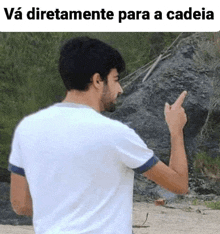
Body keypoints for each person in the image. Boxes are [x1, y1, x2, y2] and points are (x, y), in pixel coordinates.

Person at [8, 37, 188, 234]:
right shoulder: (116, 134)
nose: (120, 89)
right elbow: (178, 184)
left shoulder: (27, 128)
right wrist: (176, 129)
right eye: (116, 80)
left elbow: (20, 203)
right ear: (97, 80)